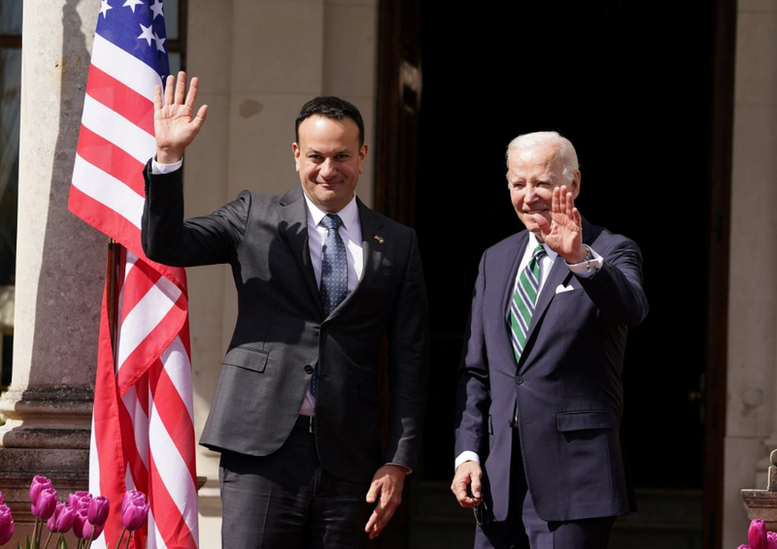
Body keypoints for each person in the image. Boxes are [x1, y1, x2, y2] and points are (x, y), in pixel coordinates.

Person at [142, 72, 428, 548]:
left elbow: (410, 362)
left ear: (362, 156)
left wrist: (398, 459)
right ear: (297, 156)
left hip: (349, 458)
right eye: (315, 156)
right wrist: (168, 158)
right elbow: (166, 244)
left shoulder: (397, 243)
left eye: (341, 156)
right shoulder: (254, 215)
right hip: (260, 451)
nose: (327, 169)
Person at [451, 131, 647, 549]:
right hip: (498, 482)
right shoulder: (496, 258)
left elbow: (632, 309)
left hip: (576, 481)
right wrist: (467, 454)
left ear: (573, 184)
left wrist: (579, 259)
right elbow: (478, 371)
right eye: (518, 184)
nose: (528, 196)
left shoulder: (610, 249)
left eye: (541, 183)